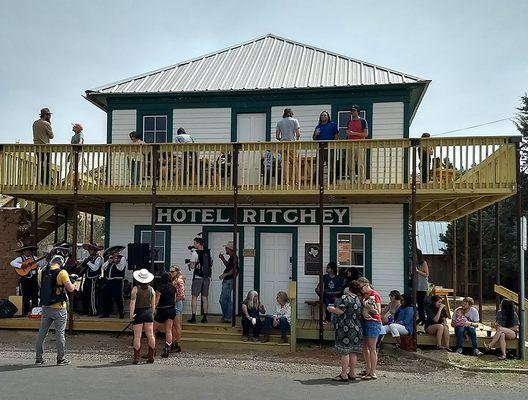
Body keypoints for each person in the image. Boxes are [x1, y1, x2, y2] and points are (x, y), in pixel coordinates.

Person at [35, 255, 76, 365]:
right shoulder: (62, 272)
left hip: (46, 306)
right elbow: (70, 289)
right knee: (60, 333)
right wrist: (74, 282)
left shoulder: (42, 271)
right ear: (61, 263)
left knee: (42, 333)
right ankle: (60, 358)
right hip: (59, 308)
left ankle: (39, 358)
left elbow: (41, 285)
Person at [327, 280, 363, 382]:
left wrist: (331, 309)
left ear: (349, 288)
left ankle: (344, 374)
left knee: (345, 351)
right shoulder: (358, 299)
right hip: (357, 326)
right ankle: (352, 372)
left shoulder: (345, 297)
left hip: (346, 327)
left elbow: (340, 311)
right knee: (353, 351)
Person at [130, 269, 156, 364]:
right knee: (150, 334)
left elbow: (133, 302)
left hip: (138, 312)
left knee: (137, 335)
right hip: (148, 312)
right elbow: (153, 304)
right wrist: (152, 312)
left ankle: (136, 357)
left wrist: (131, 314)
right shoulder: (151, 289)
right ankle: (151, 355)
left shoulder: (135, 289)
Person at [357, 277, 381, 380]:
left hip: (373, 322)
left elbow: (379, 310)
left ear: (366, 285)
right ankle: (368, 368)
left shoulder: (374, 295)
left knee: (372, 348)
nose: (360, 290)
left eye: (361, 287)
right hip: (364, 321)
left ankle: (372, 372)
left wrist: (370, 308)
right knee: (364, 347)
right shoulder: (363, 295)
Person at [10, 244, 45, 315]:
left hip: (34, 278)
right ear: (23, 252)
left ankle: (34, 311)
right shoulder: (20, 259)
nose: (28, 252)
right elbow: (12, 263)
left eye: (29, 251)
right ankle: (26, 312)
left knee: (35, 295)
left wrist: (43, 261)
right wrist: (21, 265)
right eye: (26, 251)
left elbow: (42, 264)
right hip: (25, 279)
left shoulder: (34, 258)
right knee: (26, 295)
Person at [188, 237, 212, 323]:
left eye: (195, 243)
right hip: (207, 277)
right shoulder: (208, 252)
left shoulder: (195, 252)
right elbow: (211, 264)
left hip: (198, 277)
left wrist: (191, 263)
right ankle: (205, 317)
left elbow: (192, 266)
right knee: (205, 297)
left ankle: (193, 317)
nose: (194, 245)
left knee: (194, 296)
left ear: (198, 244)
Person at [275, 108, 300, 186]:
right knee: (294, 163)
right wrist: (297, 139)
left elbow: (277, 136)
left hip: (283, 144)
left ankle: (286, 182)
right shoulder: (295, 121)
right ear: (291, 113)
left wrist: (280, 139)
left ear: (284, 113)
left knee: (285, 163)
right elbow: (298, 134)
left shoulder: (279, 122)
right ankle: (296, 181)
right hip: (292, 143)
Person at [154, 272, 176, 358]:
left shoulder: (160, 288)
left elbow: (157, 300)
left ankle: (153, 348)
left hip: (162, 310)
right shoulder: (173, 288)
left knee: (152, 329)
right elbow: (174, 300)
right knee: (168, 330)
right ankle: (167, 348)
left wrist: (154, 309)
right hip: (171, 309)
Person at [313, 111, 339, 183]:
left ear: (328, 117)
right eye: (322, 115)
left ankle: (332, 181)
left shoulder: (332, 125)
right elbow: (314, 138)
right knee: (319, 165)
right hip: (321, 148)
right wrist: (316, 134)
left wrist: (333, 144)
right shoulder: (318, 127)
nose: (323, 116)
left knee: (331, 165)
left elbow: (336, 135)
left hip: (330, 147)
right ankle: (319, 181)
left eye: (325, 115)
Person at [101, 246, 127, 318]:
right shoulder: (110, 259)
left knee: (118, 297)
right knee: (106, 297)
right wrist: (109, 261)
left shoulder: (122, 258)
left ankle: (121, 313)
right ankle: (106, 313)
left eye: (115, 252)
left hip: (117, 281)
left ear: (118, 252)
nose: (114, 254)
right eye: (112, 253)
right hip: (109, 281)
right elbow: (103, 267)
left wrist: (116, 262)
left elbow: (120, 268)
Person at [345, 105, 368, 182]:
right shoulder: (349, 122)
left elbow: (366, 134)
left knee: (360, 163)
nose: (352, 112)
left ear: (358, 112)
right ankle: (352, 180)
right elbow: (348, 134)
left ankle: (362, 180)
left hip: (360, 144)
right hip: (350, 144)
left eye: (354, 110)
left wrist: (353, 133)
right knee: (351, 164)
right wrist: (349, 134)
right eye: (352, 111)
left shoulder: (363, 121)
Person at [80, 243, 104, 316]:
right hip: (87, 278)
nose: (90, 251)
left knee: (92, 295)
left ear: (95, 251)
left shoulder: (99, 258)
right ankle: (85, 310)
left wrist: (88, 262)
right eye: (89, 250)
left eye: (91, 250)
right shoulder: (89, 258)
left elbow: (95, 268)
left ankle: (94, 311)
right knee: (85, 294)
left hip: (94, 279)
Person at [32, 107, 54, 185]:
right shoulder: (46, 123)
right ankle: (47, 181)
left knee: (40, 164)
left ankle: (40, 180)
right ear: (46, 115)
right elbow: (51, 136)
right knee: (47, 164)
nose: (50, 117)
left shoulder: (35, 123)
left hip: (37, 147)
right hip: (46, 147)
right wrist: (49, 124)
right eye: (49, 115)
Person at [218, 241, 237, 323]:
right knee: (227, 299)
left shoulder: (234, 258)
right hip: (228, 280)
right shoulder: (231, 257)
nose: (225, 249)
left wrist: (224, 275)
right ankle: (227, 316)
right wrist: (222, 259)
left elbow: (234, 270)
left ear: (230, 249)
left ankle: (228, 316)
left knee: (223, 300)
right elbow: (228, 266)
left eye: (226, 248)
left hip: (229, 281)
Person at [169, 265, 185, 353]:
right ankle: (173, 342)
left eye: (172, 271)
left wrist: (172, 300)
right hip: (172, 304)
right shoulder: (172, 280)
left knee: (177, 325)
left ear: (177, 272)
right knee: (172, 325)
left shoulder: (179, 281)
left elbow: (181, 295)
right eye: (170, 271)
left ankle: (177, 344)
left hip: (177, 304)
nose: (170, 273)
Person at [415, 249, 429, 325]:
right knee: (417, 302)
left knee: (421, 303)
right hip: (416, 285)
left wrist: (417, 271)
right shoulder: (415, 263)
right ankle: (420, 318)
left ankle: (423, 319)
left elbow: (427, 274)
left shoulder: (423, 263)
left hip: (422, 286)